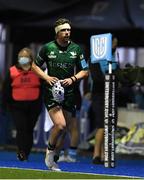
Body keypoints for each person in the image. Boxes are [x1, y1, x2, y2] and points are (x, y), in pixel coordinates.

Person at [32, 17, 89, 171]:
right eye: (63, 30)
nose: (67, 32)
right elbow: (34, 66)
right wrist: (47, 77)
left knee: (64, 130)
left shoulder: (76, 49)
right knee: (60, 124)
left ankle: (54, 157)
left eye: (68, 30)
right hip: (52, 92)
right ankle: (50, 151)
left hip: (70, 93)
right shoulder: (47, 48)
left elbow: (85, 70)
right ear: (57, 33)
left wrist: (73, 78)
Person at [1, 47, 43, 161]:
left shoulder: (37, 71)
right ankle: (21, 152)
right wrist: (4, 105)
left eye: (25, 57)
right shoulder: (12, 71)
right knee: (21, 128)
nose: (22, 59)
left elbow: (44, 87)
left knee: (29, 129)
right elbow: (6, 89)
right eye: (21, 57)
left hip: (34, 106)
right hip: (16, 106)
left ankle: (26, 153)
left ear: (31, 58)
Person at [90, 35, 119, 165]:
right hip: (99, 94)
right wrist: (110, 79)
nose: (114, 45)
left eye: (116, 43)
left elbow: (118, 75)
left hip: (112, 94)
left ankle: (104, 154)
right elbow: (96, 77)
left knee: (110, 125)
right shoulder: (96, 57)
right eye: (113, 42)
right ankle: (96, 154)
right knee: (101, 124)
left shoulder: (114, 57)